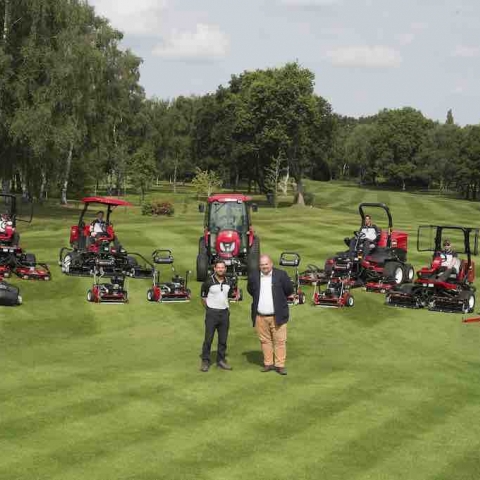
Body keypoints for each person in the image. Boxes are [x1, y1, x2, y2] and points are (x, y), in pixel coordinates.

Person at [247, 254, 294, 375]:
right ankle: (268, 363)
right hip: (260, 316)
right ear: (259, 266)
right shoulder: (254, 276)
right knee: (265, 341)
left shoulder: (281, 275)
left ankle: (280, 365)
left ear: (271, 264)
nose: (264, 267)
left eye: (266, 264)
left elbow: (289, 290)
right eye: (262, 265)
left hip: (277, 315)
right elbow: (251, 290)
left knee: (280, 341)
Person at [200, 260, 233, 372]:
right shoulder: (208, 281)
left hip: (224, 313)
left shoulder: (229, 281)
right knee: (208, 339)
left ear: (225, 269)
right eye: (218, 267)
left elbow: (229, 294)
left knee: (223, 339)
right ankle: (205, 361)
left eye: (222, 267)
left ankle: (221, 360)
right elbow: (203, 297)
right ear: (214, 269)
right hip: (212, 314)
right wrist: (209, 309)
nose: (220, 269)